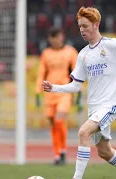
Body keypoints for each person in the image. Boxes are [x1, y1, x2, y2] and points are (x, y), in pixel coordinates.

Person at [42, 7, 116, 179]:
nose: (82, 30)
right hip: (95, 108)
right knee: (104, 152)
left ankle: (76, 178)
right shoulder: (83, 55)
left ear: (96, 25)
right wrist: (54, 87)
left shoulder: (110, 44)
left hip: (112, 103)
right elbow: (75, 86)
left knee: (83, 132)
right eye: (80, 26)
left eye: (86, 26)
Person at [36, 27, 79, 165]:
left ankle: (63, 151)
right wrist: (38, 92)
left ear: (62, 37)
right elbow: (41, 73)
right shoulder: (46, 54)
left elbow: (78, 73)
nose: (56, 40)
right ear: (50, 39)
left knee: (59, 120)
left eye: (58, 37)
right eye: (53, 37)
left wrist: (79, 93)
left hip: (64, 91)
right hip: (49, 93)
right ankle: (57, 153)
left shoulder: (70, 52)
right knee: (53, 124)